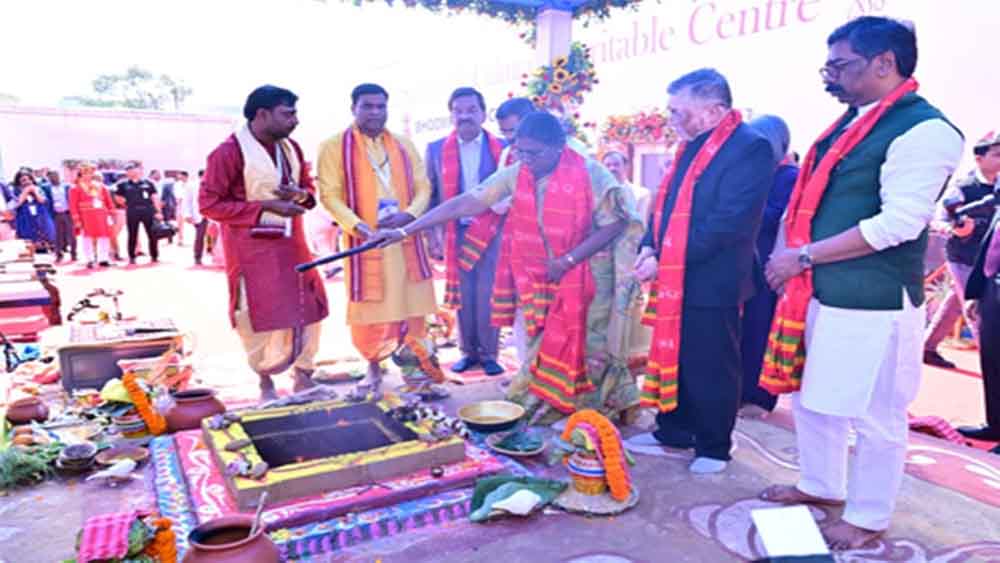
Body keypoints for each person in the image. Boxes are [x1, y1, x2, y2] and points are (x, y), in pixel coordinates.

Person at [758, 17, 964, 550]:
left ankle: (869, 515)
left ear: (884, 63)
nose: (830, 76)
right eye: (827, 66)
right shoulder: (851, 123)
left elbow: (898, 224)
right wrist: (792, 256)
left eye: (840, 65)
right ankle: (820, 485)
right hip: (820, 289)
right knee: (814, 399)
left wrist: (802, 256)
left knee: (876, 415)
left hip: (874, 299)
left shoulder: (925, 130)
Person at [370, 111, 645, 425]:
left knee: (587, 346)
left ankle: (588, 413)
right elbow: (469, 201)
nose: (526, 159)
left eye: (533, 153)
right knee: (546, 343)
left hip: (589, 275)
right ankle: (555, 404)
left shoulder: (592, 175)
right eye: (521, 151)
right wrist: (406, 229)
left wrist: (568, 260)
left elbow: (616, 223)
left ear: (558, 147)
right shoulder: (519, 172)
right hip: (544, 276)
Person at [629, 69, 773, 474]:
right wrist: (649, 245)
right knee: (677, 357)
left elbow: (728, 223)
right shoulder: (690, 147)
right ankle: (674, 430)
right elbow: (664, 208)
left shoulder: (750, 147)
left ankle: (713, 446)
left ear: (714, 111)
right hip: (676, 274)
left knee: (711, 364)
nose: (671, 119)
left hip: (715, 277)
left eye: (680, 111)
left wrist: (664, 258)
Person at [200, 85, 328, 401]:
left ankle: (304, 377)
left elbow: (308, 191)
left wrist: (299, 195)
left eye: (294, 114)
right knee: (257, 313)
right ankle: (265, 383)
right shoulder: (228, 152)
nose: (295, 121)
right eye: (288, 114)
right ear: (262, 114)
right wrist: (265, 207)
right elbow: (209, 205)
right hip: (251, 253)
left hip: (294, 246)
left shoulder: (291, 148)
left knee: (308, 307)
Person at [317, 83, 442, 400]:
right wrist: (359, 226)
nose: (375, 112)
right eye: (367, 106)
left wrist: (409, 216)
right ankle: (373, 366)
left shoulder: (403, 144)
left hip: (404, 238)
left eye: (381, 106)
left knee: (413, 308)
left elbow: (424, 187)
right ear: (353, 108)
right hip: (366, 243)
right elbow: (329, 195)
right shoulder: (334, 147)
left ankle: (418, 373)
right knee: (370, 311)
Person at [425, 87, 506, 376]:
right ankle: (467, 352)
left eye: (471, 110)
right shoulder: (436, 149)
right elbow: (431, 195)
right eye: (458, 111)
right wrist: (432, 235)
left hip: (492, 232)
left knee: (488, 292)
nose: (464, 116)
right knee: (463, 293)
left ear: (483, 114)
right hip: (454, 232)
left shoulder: (502, 148)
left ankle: (490, 354)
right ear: (451, 115)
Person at [923, 131, 1000, 367]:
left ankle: (927, 347)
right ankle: (993, 367)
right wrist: (955, 229)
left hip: (988, 259)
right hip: (963, 258)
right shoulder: (962, 188)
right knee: (978, 311)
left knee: (955, 303)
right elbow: (939, 220)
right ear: (979, 158)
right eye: (997, 155)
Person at [738, 115, 799, 418]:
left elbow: (777, 217)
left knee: (759, 330)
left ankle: (760, 398)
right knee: (740, 331)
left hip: (769, 267)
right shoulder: (753, 174)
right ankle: (738, 392)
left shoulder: (790, 177)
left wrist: (739, 206)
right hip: (743, 265)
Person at [961, 202, 1000, 447]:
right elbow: (991, 246)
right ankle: (995, 424)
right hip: (992, 289)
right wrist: (976, 293)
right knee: (992, 359)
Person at [114, 163, 162, 265]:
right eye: (128, 170)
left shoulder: (148, 183)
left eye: (132, 169)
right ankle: (132, 256)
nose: (130, 172)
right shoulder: (123, 184)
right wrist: (127, 203)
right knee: (132, 234)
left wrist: (158, 211)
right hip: (132, 211)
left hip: (147, 210)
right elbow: (117, 197)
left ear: (138, 170)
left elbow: (155, 197)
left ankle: (154, 255)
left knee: (152, 234)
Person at [69, 162, 114, 268]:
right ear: (81, 174)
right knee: (87, 237)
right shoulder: (75, 188)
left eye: (90, 173)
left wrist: (111, 213)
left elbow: (108, 201)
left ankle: (103, 258)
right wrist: (76, 219)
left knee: (104, 236)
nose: (87, 175)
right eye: (85, 173)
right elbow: (73, 205)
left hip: (101, 215)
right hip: (86, 216)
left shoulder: (100, 186)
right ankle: (89, 259)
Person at [9, 169, 56, 251]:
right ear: (19, 182)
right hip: (25, 219)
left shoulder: (38, 188)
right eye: (23, 180)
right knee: (28, 242)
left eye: (29, 179)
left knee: (45, 238)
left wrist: (34, 191)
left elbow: (42, 200)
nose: (27, 182)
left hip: (40, 218)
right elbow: (16, 204)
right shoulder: (15, 191)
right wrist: (25, 192)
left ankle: (45, 248)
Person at [602, 150, 650, 218]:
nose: (612, 168)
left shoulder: (641, 194)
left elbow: (641, 221)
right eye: (608, 165)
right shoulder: (597, 195)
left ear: (626, 166)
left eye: (616, 164)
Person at [47, 170, 77, 262]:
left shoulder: (67, 186)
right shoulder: (47, 188)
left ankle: (73, 254)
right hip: (55, 214)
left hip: (67, 213)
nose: (53, 178)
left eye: (55, 176)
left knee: (71, 235)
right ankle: (59, 254)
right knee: (57, 236)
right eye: (51, 177)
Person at [184, 170, 209, 265]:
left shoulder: (214, 184)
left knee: (214, 236)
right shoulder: (192, 186)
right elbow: (187, 201)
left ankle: (212, 253)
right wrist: (187, 215)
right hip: (199, 215)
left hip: (214, 215)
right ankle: (197, 256)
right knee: (200, 236)